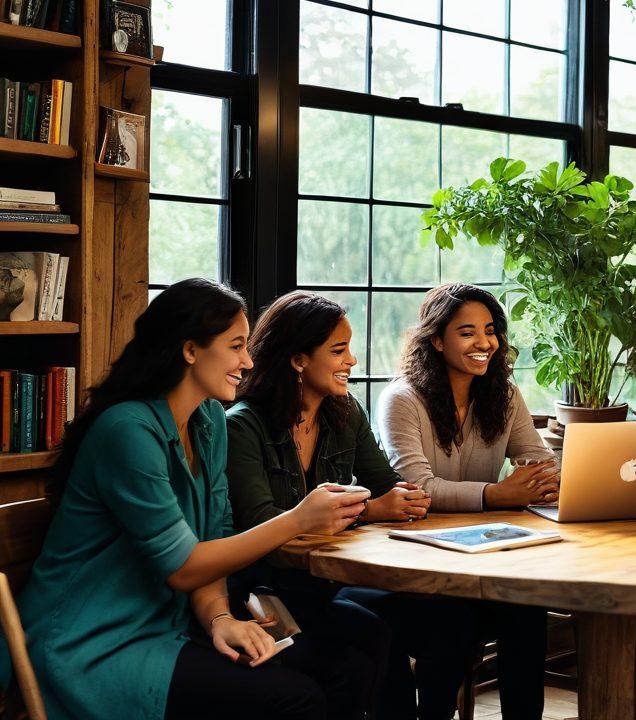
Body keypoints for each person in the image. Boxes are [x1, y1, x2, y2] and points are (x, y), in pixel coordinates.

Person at [0, 278, 370, 720]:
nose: (248, 361)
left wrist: (219, 618)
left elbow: (212, 538)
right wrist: (297, 519)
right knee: (293, 696)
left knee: (347, 666)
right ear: (190, 349)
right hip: (90, 646)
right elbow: (182, 566)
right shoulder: (127, 430)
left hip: (168, 627)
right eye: (235, 346)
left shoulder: (209, 420)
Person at [228, 291, 463, 720]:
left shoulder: (345, 412)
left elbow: (390, 487)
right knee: (368, 640)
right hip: (262, 594)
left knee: (443, 620)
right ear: (298, 360)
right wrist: (370, 510)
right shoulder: (243, 426)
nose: (352, 361)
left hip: (322, 584)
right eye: (338, 350)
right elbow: (262, 525)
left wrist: (404, 499)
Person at [377, 282, 556, 720]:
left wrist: (555, 476)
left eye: (490, 330)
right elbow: (418, 487)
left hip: (483, 558)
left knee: (528, 612)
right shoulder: (401, 400)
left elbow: (539, 460)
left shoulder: (504, 395)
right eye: (467, 332)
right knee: (454, 623)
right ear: (436, 340)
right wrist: (497, 494)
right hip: (419, 565)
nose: (484, 343)